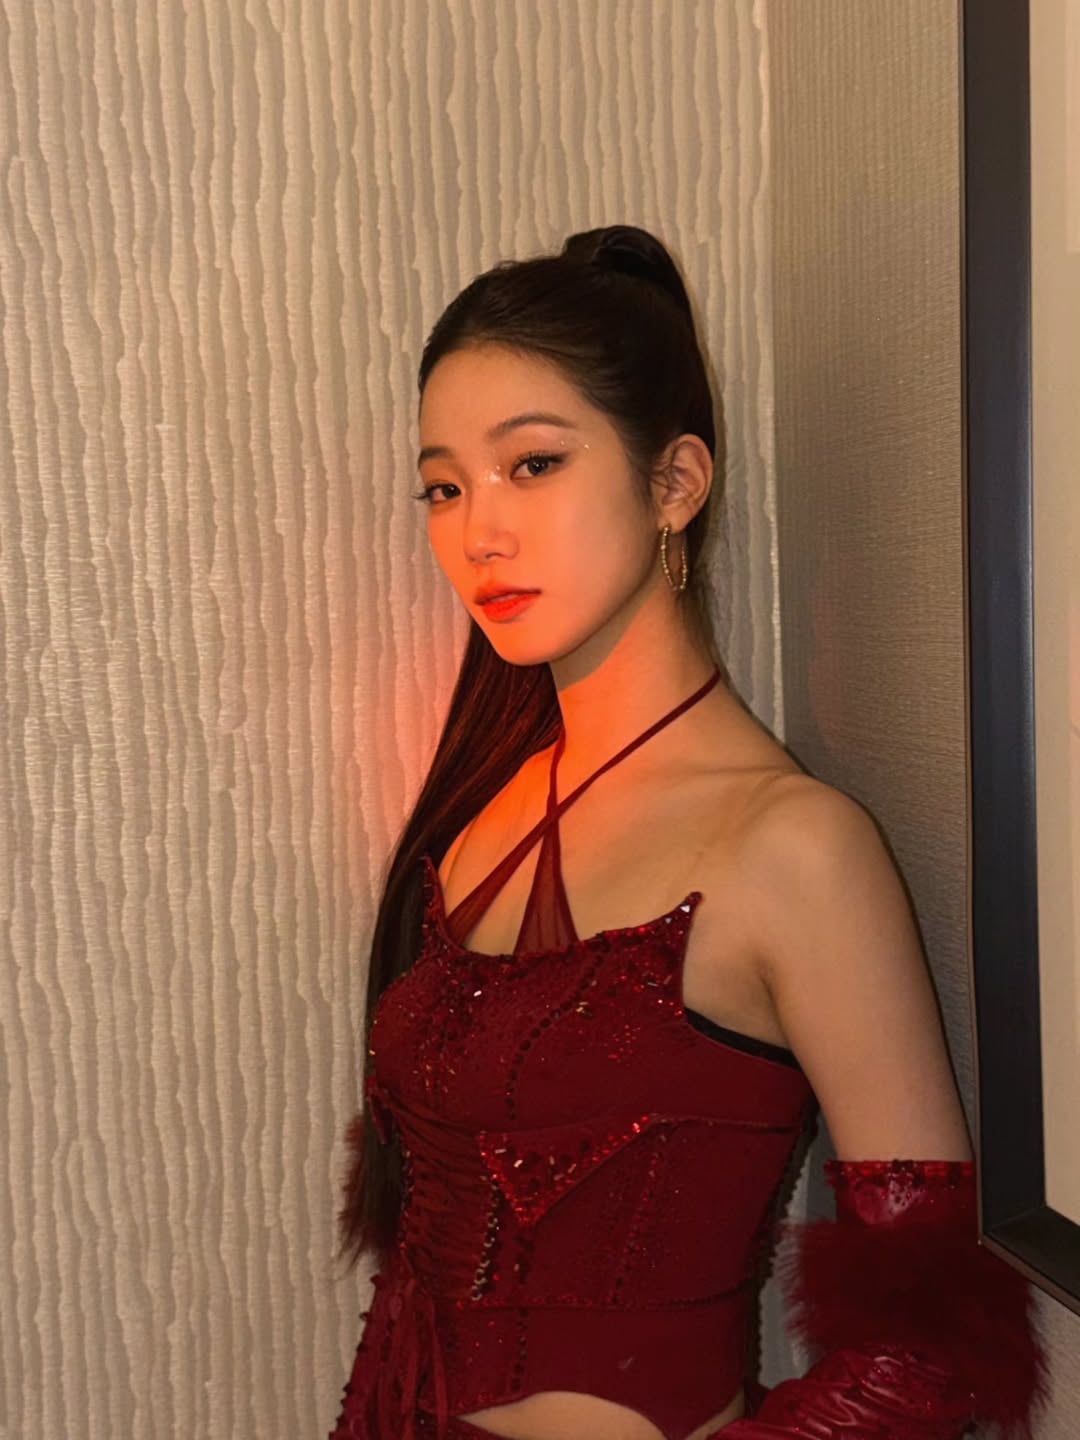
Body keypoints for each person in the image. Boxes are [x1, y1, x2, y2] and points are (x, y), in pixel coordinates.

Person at [328, 226, 1047, 1440]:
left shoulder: (794, 849)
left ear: (675, 482)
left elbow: (927, 1349)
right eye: (444, 486)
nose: (477, 532)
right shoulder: (480, 819)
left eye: (533, 464)